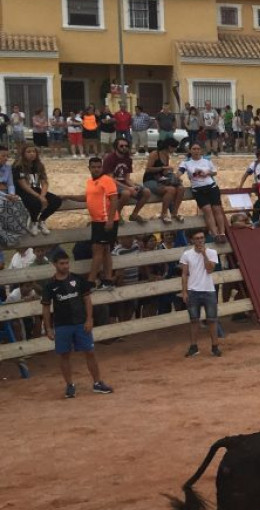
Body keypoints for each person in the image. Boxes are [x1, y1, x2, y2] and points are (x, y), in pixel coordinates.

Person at [43, 251, 113, 398]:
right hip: (62, 325)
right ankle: (69, 385)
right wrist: (48, 328)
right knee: (64, 355)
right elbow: (46, 307)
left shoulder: (77, 279)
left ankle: (97, 382)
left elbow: (87, 299)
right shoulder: (49, 285)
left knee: (90, 352)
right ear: (55, 265)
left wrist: (89, 319)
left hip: (80, 323)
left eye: (67, 263)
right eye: (61, 263)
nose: (65, 266)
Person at [179, 230, 222, 356]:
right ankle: (194, 346)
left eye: (202, 238)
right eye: (197, 238)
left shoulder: (211, 252)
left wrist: (204, 254)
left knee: (212, 320)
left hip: (208, 289)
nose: (200, 240)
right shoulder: (187, 254)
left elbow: (209, 270)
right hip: (193, 290)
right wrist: (184, 291)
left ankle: (214, 346)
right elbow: (184, 274)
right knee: (194, 320)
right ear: (192, 240)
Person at [179, 142, 229, 243]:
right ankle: (215, 234)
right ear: (190, 150)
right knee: (207, 210)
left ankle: (222, 233)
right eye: (194, 149)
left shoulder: (207, 160)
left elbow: (214, 171)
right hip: (198, 189)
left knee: (217, 209)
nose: (196, 151)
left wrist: (206, 173)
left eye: (198, 149)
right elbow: (180, 171)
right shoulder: (186, 162)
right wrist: (175, 177)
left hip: (211, 186)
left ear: (201, 150)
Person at [84, 157, 119, 290]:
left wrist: (110, 220)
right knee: (105, 251)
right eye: (94, 167)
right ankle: (108, 280)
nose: (96, 169)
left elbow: (114, 200)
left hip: (106, 220)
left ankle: (91, 281)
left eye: (99, 167)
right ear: (89, 168)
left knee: (98, 251)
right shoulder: (90, 182)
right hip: (96, 221)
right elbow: (88, 197)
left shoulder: (107, 180)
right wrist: (68, 197)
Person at [12, 145, 62, 235]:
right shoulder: (18, 166)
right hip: (22, 192)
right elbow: (23, 185)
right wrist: (39, 197)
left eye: (33, 151)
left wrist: (42, 195)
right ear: (23, 154)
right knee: (35, 202)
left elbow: (44, 182)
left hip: (35, 189)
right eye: (29, 152)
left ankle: (41, 220)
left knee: (56, 200)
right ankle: (33, 222)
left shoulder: (39, 165)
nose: (32, 154)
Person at [101, 137, 151, 224]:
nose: (124, 148)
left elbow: (127, 178)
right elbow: (111, 179)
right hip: (111, 184)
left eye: (126, 146)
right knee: (126, 193)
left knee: (146, 191)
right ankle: (116, 214)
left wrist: (133, 186)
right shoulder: (110, 158)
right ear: (116, 147)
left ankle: (134, 215)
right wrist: (129, 189)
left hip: (123, 183)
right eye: (121, 146)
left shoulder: (128, 159)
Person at [142, 141, 183, 224]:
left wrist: (172, 175)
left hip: (161, 179)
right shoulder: (154, 154)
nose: (175, 149)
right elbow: (148, 169)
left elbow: (164, 172)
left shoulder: (167, 156)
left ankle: (174, 212)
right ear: (169, 147)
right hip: (150, 180)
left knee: (181, 188)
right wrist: (162, 167)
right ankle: (163, 214)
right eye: (174, 147)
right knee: (171, 190)